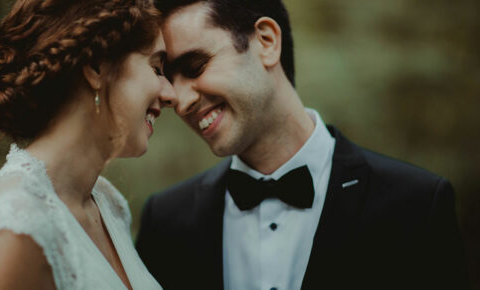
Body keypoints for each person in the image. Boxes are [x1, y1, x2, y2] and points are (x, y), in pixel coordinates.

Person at [135, 0, 470, 289]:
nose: (180, 101)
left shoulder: (416, 207)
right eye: (167, 78)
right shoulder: (164, 224)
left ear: (266, 42)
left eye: (194, 66)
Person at [0, 0, 175, 289]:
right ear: (96, 67)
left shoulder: (108, 203)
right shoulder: (15, 226)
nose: (171, 94)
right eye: (157, 68)